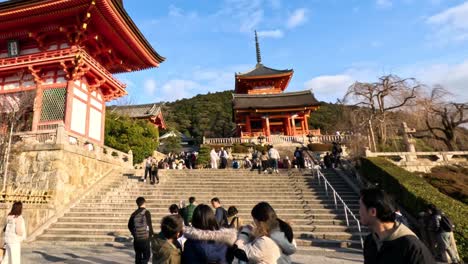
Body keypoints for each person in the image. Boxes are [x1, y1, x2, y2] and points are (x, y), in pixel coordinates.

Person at [359, 188, 435, 264]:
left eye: (360, 207)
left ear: (373, 212)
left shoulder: (412, 246)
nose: (359, 212)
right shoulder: (370, 241)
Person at [128, 197, 154, 264]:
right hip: (145, 238)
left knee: (138, 256)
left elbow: (129, 226)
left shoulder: (133, 214)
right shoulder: (146, 212)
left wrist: (134, 233)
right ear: (144, 203)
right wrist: (151, 236)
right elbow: (149, 225)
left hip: (137, 239)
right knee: (146, 256)